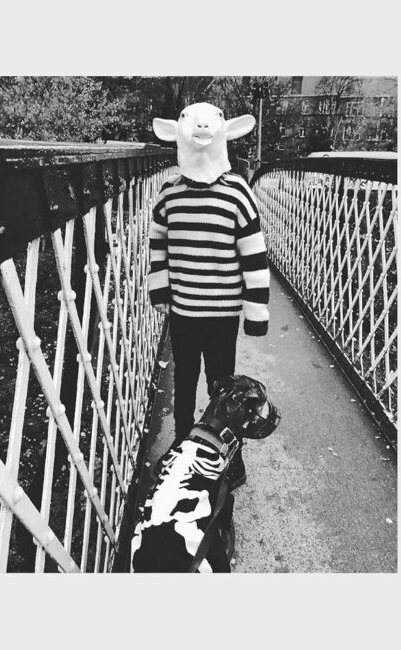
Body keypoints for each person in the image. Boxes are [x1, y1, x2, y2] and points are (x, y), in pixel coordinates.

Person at [148, 102, 270, 489]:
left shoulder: (237, 193)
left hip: (220, 315)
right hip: (184, 311)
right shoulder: (169, 193)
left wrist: (256, 309)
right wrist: (160, 288)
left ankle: (229, 453)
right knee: (184, 382)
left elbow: (254, 252)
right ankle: (183, 444)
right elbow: (157, 243)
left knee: (222, 386)